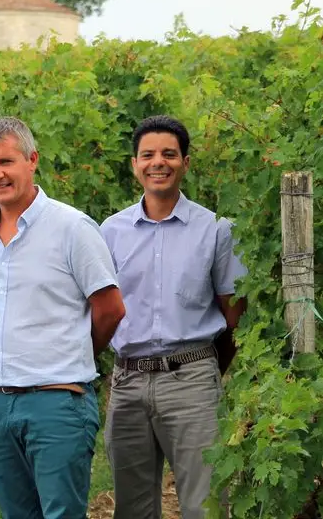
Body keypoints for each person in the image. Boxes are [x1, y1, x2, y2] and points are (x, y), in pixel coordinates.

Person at [0, 116, 126, 519]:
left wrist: (71, 354)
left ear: (32, 160)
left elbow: (111, 308)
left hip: (56, 403)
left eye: (6, 161)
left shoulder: (72, 228)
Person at [99, 115, 248, 519]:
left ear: (185, 161)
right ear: (134, 164)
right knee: (132, 507)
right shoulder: (110, 232)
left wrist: (204, 371)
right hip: (127, 384)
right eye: (147, 155)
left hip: (192, 382)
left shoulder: (215, 230)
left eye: (168, 154)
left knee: (205, 505)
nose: (157, 163)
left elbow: (233, 314)